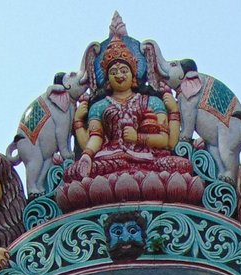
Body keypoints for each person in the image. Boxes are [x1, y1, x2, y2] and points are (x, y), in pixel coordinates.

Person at [57, 26, 202, 211]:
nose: (119, 75)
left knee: (181, 166)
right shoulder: (99, 106)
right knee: (74, 174)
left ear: (134, 73)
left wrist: (141, 135)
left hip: (149, 161)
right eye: (114, 71)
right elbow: (94, 140)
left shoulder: (151, 101)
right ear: (107, 77)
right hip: (110, 160)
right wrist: (80, 132)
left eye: (123, 70)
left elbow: (168, 142)